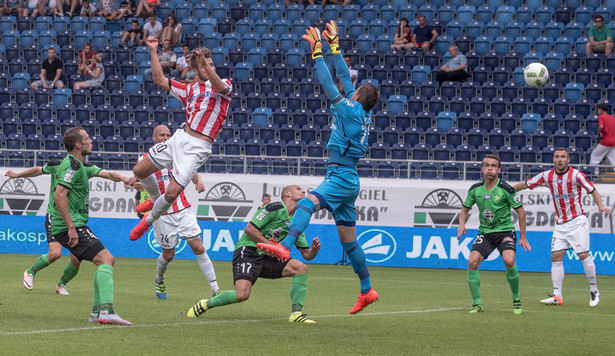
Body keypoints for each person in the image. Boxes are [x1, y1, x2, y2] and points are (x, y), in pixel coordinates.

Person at [256, 21, 380, 314]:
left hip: (340, 175)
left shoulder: (349, 110)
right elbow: (346, 80)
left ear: (359, 96)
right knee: (349, 242)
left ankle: (284, 246)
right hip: (348, 177)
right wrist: (335, 47)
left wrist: (317, 53)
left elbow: (329, 84)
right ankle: (367, 290)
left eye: (355, 88)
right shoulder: (361, 111)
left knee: (306, 205)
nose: (350, 87)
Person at [129, 36, 232, 242]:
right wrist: (153, 49)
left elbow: (220, 87)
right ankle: (154, 199)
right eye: (207, 64)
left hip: (198, 147)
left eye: (212, 64)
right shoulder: (189, 89)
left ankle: (148, 220)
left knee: (172, 194)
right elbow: (159, 80)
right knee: (139, 171)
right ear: (196, 70)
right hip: (180, 137)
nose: (211, 67)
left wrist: (205, 64)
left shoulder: (224, 85)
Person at [187, 185, 320, 323]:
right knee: (242, 295)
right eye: (298, 189)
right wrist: (272, 246)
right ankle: (206, 304)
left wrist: (314, 250)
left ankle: (296, 314)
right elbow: (249, 229)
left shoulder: (298, 222)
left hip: (268, 256)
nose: (303, 191)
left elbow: (306, 255)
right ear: (287, 194)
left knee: (301, 268)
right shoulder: (274, 207)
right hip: (248, 251)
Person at [7, 158, 132, 295]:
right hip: (56, 216)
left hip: (76, 220)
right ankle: (30, 272)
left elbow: (108, 174)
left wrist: (122, 177)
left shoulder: (86, 168)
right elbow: (38, 170)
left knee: (76, 259)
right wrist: (18, 175)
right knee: (55, 253)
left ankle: (61, 284)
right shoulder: (57, 165)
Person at [49, 127, 133, 325]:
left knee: (105, 261)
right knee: (106, 259)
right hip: (69, 226)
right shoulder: (72, 167)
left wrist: (124, 178)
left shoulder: (80, 165)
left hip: (73, 225)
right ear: (78, 144)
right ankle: (105, 311)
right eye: (87, 138)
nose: (91, 141)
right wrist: (70, 227)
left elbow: (106, 173)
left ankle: (97, 313)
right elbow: (59, 196)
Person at [514, 147, 611, 307]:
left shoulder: (576, 175)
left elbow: (592, 190)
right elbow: (526, 184)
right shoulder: (547, 176)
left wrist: (600, 205)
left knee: (583, 255)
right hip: (561, 224)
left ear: (568, 160)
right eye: (557, 157)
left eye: (563, 157)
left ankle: (594, 289)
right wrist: (506, 189)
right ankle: (557, 296)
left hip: (577, 221)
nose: (560, 159)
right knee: (556, 257)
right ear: (553, 159)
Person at [132, 125, 220, 300]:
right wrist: (136, 184)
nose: (165, 138)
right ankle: (160, 279)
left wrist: (198, 180)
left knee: (199, 247)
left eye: (168, 135)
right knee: (169, 254)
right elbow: (137, 180)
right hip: (162, 214)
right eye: (162, 135)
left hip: (182, 209)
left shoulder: (178, 153)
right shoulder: (144, 159)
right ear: (154, 137)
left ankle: (215, 289)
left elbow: (190, 169)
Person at [457, 155, 530, 314]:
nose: (489, 168)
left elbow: (521, 212)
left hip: (505, 231)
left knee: (509, 261)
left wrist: (523, 236)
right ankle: (477, 304)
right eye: (486, 165)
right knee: (472, 262)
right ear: (482, 168)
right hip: (486, 232)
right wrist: (462, 224)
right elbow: (464, 210)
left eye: (493, 166)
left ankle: (516, 298)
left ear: (499, 170)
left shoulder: (506, 189)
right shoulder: (475, 189)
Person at [589, 103, 615, 175]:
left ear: (601, 109)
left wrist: (598, 134)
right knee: (614, 160)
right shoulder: (613, 118)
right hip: (614, 142)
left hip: (606, 141)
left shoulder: (601, 117)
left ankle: (594, 175)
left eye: (598, 109)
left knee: (594, 156)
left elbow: (601, 126)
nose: (598, 111)